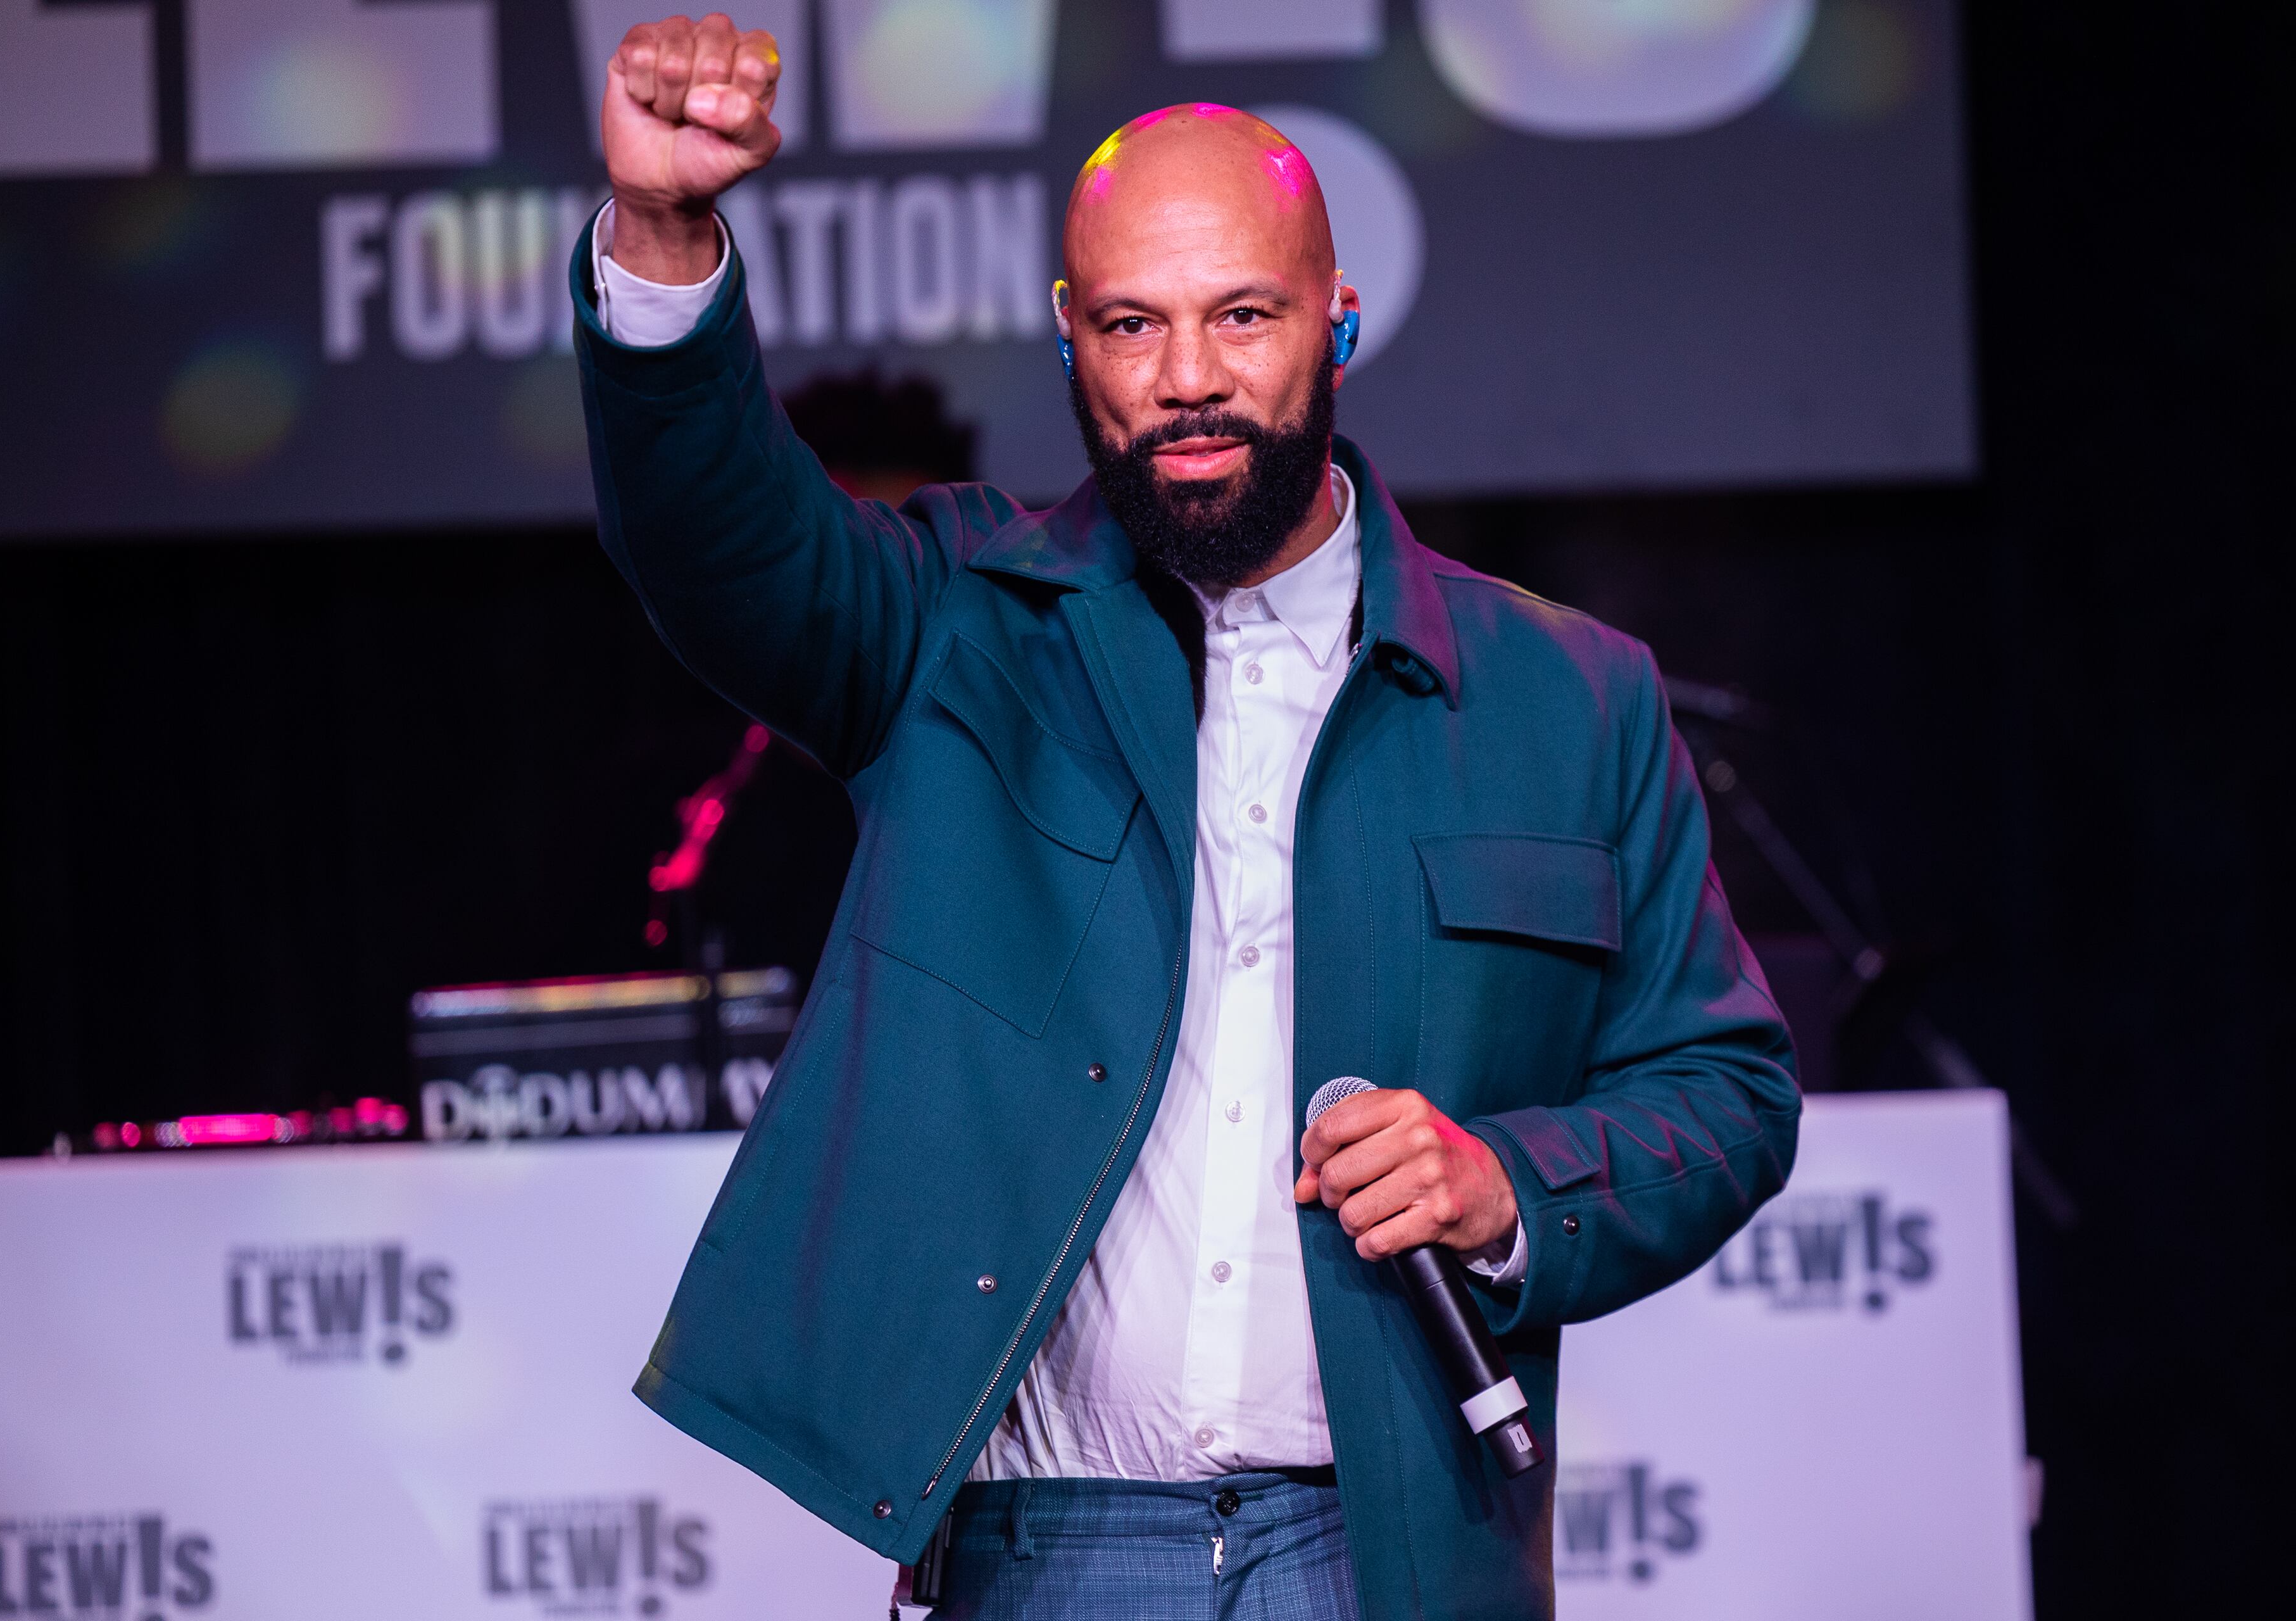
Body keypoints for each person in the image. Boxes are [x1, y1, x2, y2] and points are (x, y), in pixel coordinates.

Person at [576, 15, 1800, 1619]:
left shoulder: (1564, 697)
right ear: (1070, 336)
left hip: (1391, 1547)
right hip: (1049, 1545)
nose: (1189, 380)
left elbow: (1725, 1090)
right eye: (1135, 326)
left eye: (1245, 316)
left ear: (1338, 324)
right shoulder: (962, 621)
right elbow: (718, 540)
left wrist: (1510, 1183)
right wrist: (665, 236)